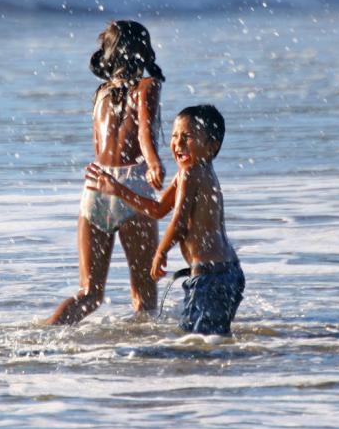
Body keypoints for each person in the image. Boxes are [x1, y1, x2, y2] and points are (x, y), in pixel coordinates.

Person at [47, 20, 166, 325]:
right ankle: (144, 359)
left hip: (95, 187)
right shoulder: (147, 86)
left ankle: (43, 336)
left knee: (89, 295)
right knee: (144, 297)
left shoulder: (100, 92)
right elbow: (143, 134)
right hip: (132, 185)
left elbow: (101, 144)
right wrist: (153, 162)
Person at [90, 104, 245, 336]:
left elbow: (180, 223)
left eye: (188, 137)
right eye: (174, 136)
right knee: (212, 339)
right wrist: (117, 189)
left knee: (196, 342)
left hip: (208, 277)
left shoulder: (190, 173)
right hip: (229, 272)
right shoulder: (200, 172)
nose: (178, 144)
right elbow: (158, 209)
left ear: (212, 145)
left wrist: (160, 252)